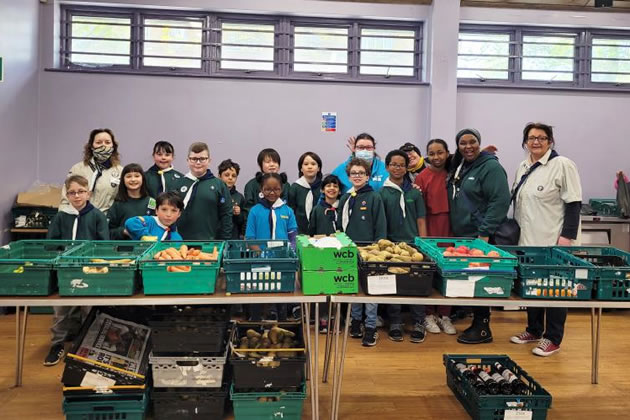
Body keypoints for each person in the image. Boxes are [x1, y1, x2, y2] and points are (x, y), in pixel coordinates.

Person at [509, 122, 582, 357]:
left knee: (557, 289)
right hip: (529, 241)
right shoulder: (523, 166)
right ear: (525, 142)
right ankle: (533, 330)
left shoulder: (562, 165)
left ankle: (552, 338)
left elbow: (574, 204)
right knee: (533, 286)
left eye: (541, 137)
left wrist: (566, 237)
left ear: (550, 141)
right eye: (531, 138)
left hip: (554, 242)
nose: (536, 141)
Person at [448, 128, 510, 345]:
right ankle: (473, 319)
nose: (468, 146)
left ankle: (483, 327)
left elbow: (500, 201)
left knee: (481, 280)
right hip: (464, 235)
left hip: (481, 236)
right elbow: (437, 159)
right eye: (463, 143)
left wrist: (484, 233)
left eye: (472, 142)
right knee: (471, 280)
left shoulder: (490, 167)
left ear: (479, 142)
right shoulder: (462, 165)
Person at [45, 175, 109, 366]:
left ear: (88, 193)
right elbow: (51, 243)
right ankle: (57, 345)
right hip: (65, 269)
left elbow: (103, 244)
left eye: (81, 191)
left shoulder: (97, 216)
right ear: (67, 195)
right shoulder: (61, 216)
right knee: (61, 309)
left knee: (89, 308)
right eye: (72, 192)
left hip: (89, 269)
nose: (77, 195)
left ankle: (85, 345)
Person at [380, 150, 428, 344]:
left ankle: (418, 322)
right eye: (393, 164)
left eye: (401, 165)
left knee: (417, 284)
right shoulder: (381, 193)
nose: (397, 168)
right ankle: (395, 322)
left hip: (413, 245)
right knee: (394, 284)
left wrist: (423, 244)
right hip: (392, 246)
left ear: (407, 167)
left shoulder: (414, 192)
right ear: (387, 167)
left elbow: (421, 219)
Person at [338, 158, 387, 347]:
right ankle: (356, 321)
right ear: (349, 176)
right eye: (353, 173)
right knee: (353, 288)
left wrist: (377, 248)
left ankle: (371, 326)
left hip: (370, 252)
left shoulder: (374, 197)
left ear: (368, 176)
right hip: (349, 250)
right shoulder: (346, 198)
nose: (357, 176)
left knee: (371, 290)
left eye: (361, 173)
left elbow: (380, 225)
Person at [415, 139, 456, 335]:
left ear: (448, 153)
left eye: (440, 152)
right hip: (430, 227)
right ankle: (428, 314)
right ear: (427, 155)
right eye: (432, 153)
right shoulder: (422, 177)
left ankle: (445, 315)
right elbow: (419, 210)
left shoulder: (454, 173)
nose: (436, 157)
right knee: (430, 269)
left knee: (449, 268)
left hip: (451, 227)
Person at [245, 173, 298, 321]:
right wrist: (261, 254)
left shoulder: (287, 211)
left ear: (281, 190)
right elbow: (249, 238)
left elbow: (293, 235)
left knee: (282, 294)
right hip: (259, 260)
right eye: (267, 189)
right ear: (261, 189)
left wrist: (290, 252)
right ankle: (256, 322)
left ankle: (282, 323)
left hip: (282, 261)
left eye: (276, 189)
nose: (272, 192)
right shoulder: (255, 211)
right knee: (258, 292)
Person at [177, 142, 233, 240]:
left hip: (210, 244)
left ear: (209, 160)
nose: (198, 162)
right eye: (194, 159)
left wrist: (224, 241)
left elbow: (226, 215)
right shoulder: (178, 184)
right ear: (187, 160)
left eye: (202, 159)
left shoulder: (219, 185)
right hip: (179, 243)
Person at [60, 128, 123, 214]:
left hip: (105, 222)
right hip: (79, 219)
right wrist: (64, 220)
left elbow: (122, 201)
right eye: (98, 142)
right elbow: (65, 200)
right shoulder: (78, 169)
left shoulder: (120, 171)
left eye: (107, 142)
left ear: (113, 146)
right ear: (91, 146)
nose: (103, 146)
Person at [108, 163, 156, 240]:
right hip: (124, 249)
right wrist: (123, 231)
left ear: (143, 178)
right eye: (128, 176)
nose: (133, 179)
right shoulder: (118, 204)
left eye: (137, 176)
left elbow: (158, 226)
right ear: (123, 180)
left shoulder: (151, 202)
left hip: (147, 247)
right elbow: (108, 231)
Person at [243, 148, 290, 216]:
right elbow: (248, 209)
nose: (272, 165)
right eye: (268, 162)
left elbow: (288, 207)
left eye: (275, 162)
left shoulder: (285, 184)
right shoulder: (251, 185)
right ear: (260, 165)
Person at [289, 152, 323, 234]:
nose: (310, 167)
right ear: (301, 168)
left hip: (320, 230)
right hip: (299, 230)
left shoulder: (323, 187)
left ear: (318, 168)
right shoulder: (295, 187)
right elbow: (291, 210)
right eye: (306, 164)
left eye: (313, 164)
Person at [219, 159, 246, 239]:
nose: (230, 178)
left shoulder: (239, 197)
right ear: (219, 176)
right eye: (226, 175)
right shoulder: (215, 194)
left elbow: (242, 221)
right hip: (216, 236)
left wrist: (239, 214)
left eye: (234, 176)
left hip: (233, 236)